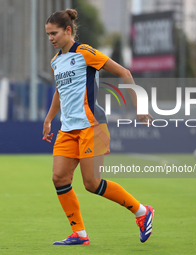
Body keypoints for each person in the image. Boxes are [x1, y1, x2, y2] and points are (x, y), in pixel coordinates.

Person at [43, 9, 154, 245]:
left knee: (92, 184)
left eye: (54, 33)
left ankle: (142, 212)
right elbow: (60, 92)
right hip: (67, 129)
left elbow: (124, 72)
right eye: (48, 35)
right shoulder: (55, 62)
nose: (51, 38)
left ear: (68, 30)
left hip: (93, 126)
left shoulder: (85, 52)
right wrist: (49, 118)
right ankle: (79, 234)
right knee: (59, 178)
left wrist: (139, 107)